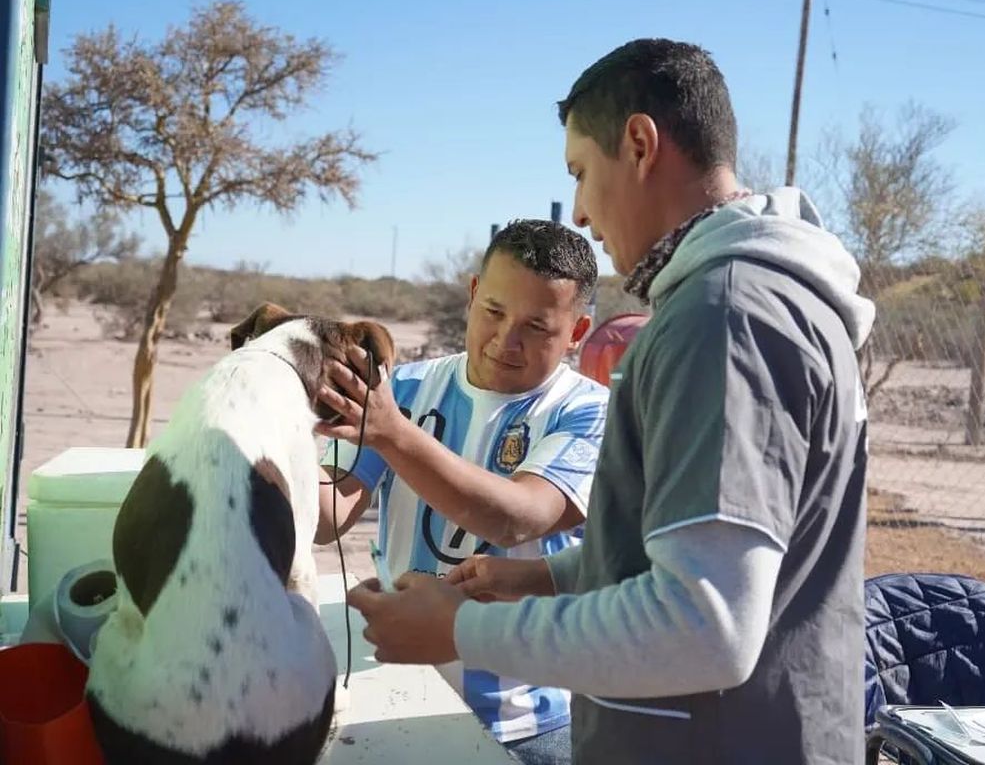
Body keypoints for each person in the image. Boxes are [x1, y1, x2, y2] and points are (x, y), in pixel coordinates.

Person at [342, 38, 876, 764]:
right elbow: (702, 558)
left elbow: (706, 624)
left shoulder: (724, 315)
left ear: (639, 143)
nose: (585, 214)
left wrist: (458, 632)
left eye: (581, 173)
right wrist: (547, 576)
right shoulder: (753, 301)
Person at [314, 218, 608, 764]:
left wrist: (394, 433)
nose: (505, 340)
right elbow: (329, 515)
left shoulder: (588, 411)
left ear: (577, 331)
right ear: (473, 294)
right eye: (494, 312)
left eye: (536, 327)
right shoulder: (401, 388)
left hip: (531, 721)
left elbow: (517, 518)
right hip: (401, 685)